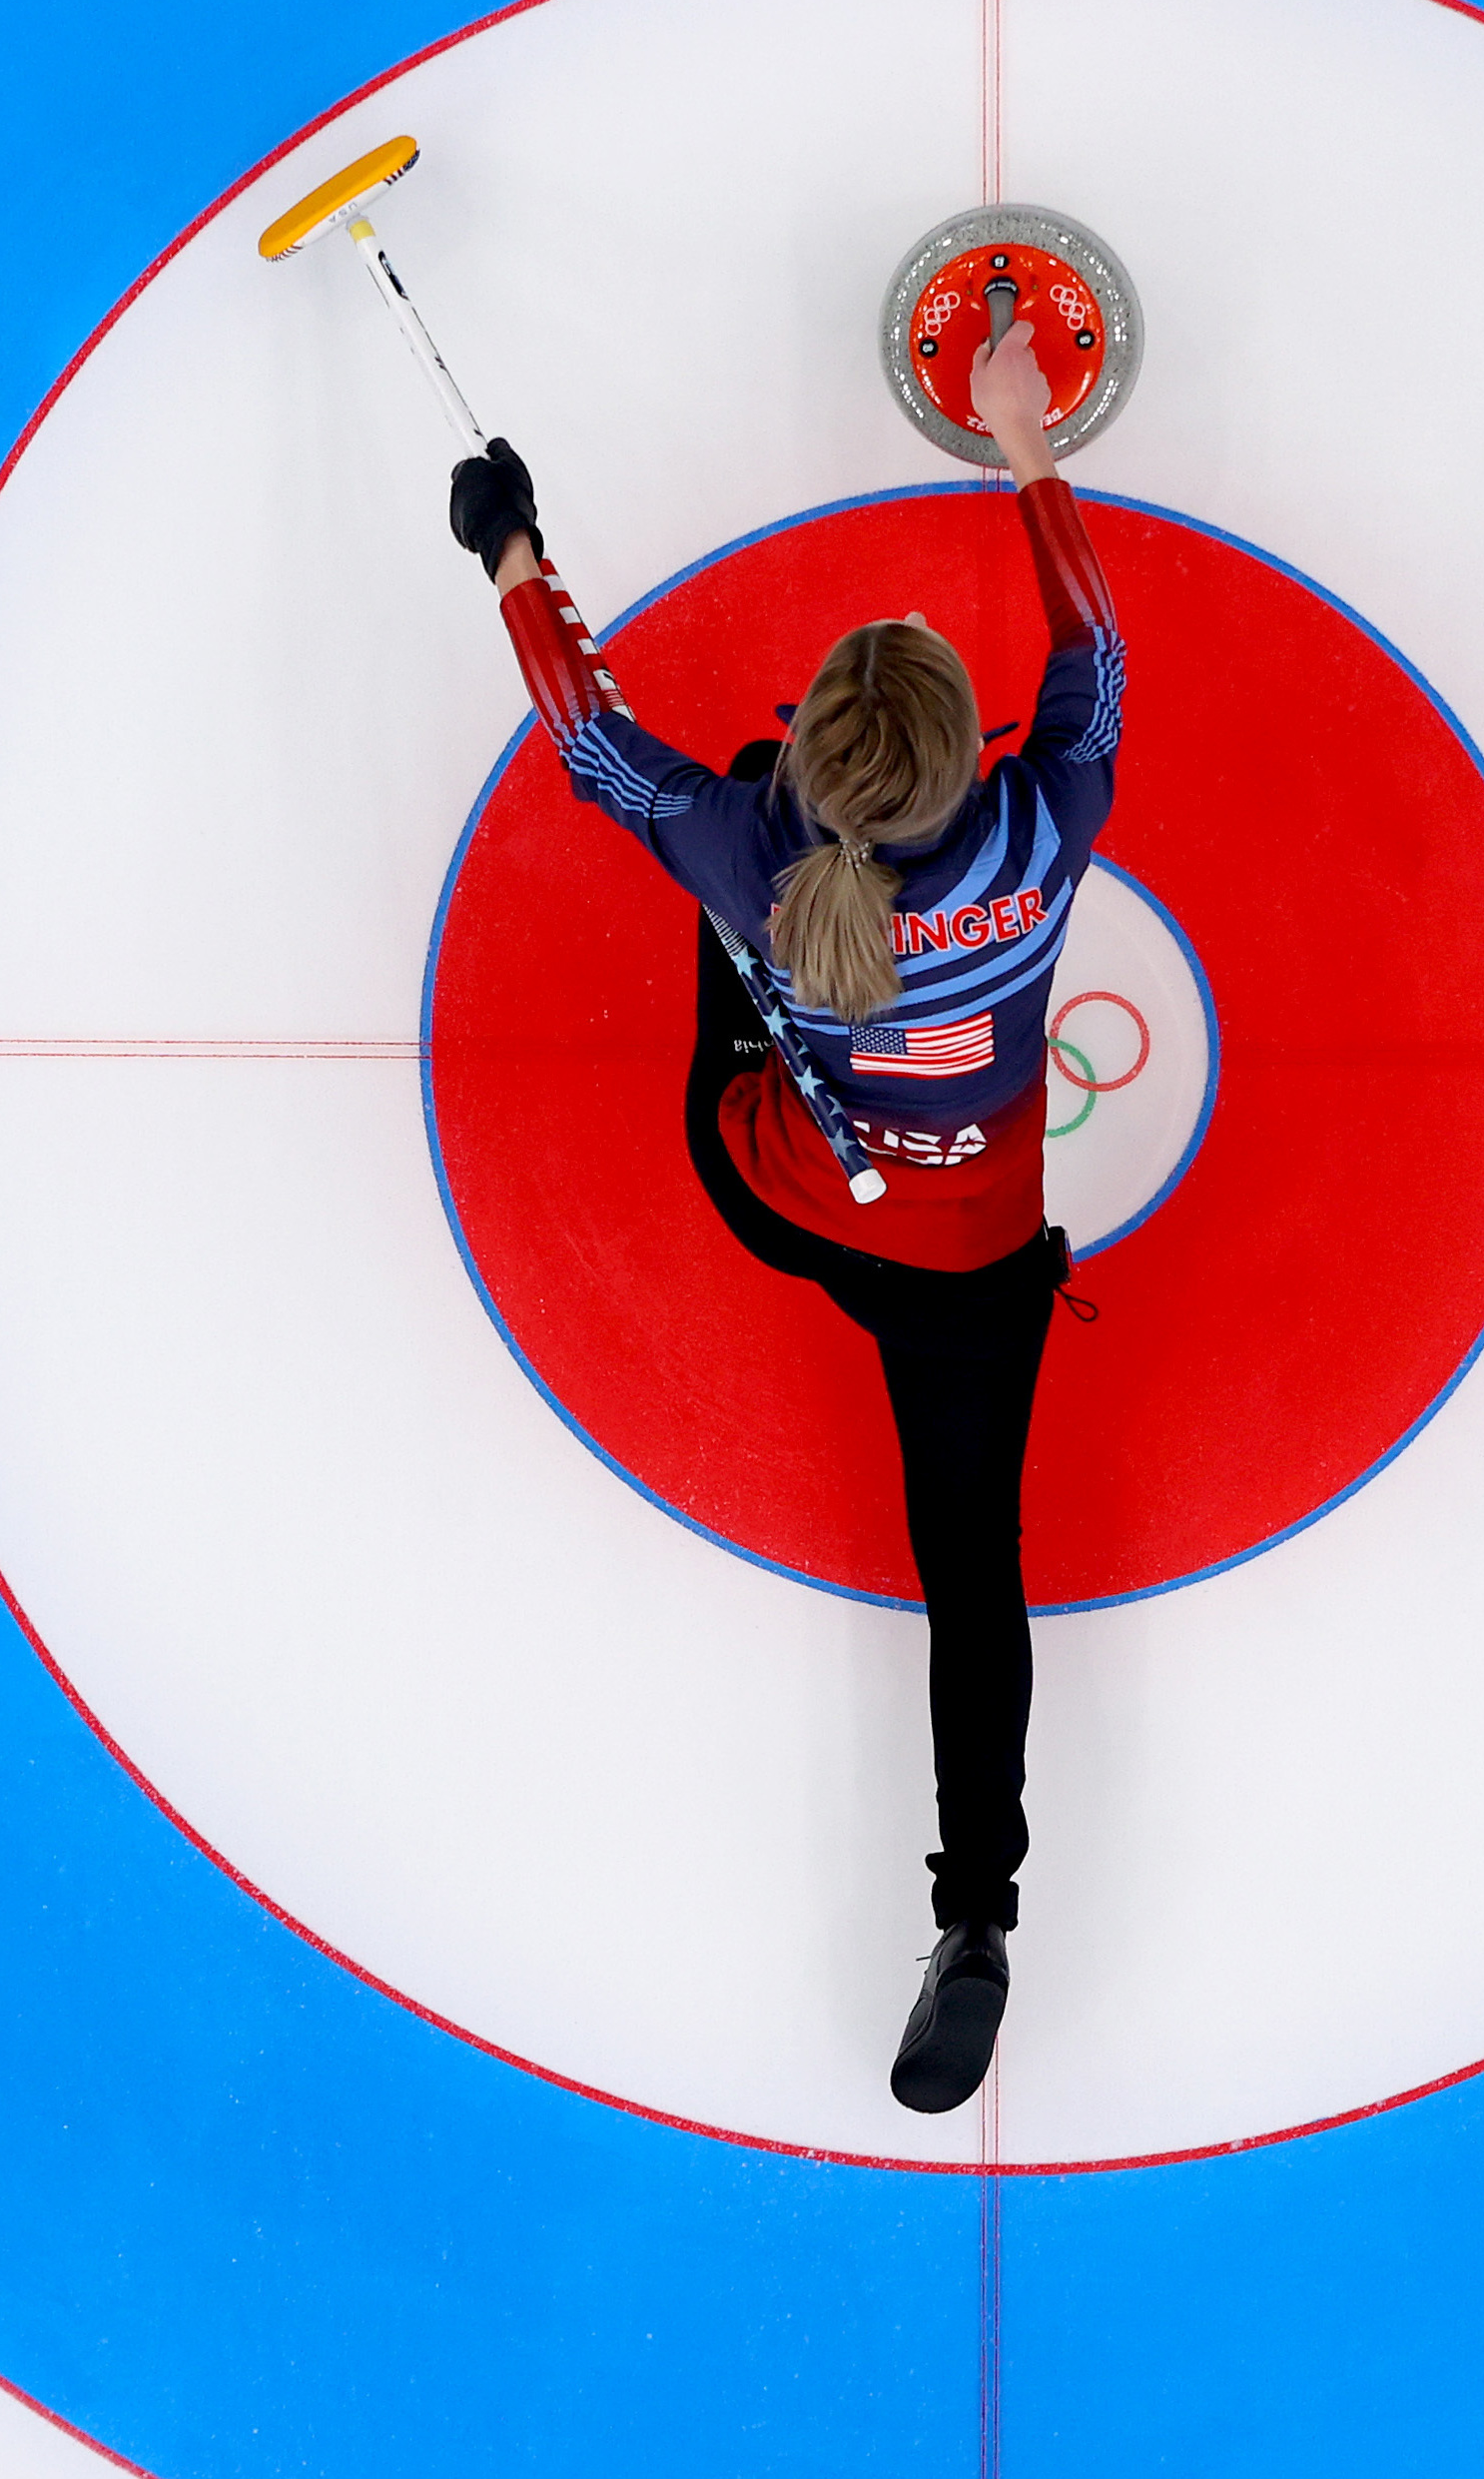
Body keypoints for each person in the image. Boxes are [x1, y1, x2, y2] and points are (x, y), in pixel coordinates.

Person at [448, 314, 1119, 2114]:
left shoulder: (753, 841)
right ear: (972, 766)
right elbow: (1096, 650)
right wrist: (1024, 444)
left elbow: (594, 745)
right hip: (972, 1262)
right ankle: (974, 1909)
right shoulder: (1050, 825)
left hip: (787, 1192)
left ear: (825, 760)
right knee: (969, 1576)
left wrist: (516, 556)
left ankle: (780, 964)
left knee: (708, 859)